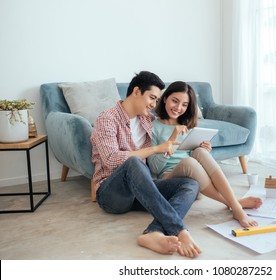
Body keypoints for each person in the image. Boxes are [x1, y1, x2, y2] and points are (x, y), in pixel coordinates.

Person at [90, 72, 202, 258]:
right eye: (152, 97)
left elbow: (171, 120)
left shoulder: (146, 119)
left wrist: (194, 139)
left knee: (190, 184)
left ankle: (153, 232)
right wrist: (156, 149)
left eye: (157, 99)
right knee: (133, 161)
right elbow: (110, 158)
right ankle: (180, 230)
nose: (153, 104)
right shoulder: (107, 119)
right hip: (112, 194)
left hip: (141, 190)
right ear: (136, 91)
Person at [147, 81, 262, 228]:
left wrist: (204, 149)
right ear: (165, 99)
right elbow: (155, 168)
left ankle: (234, 204)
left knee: (199, 151)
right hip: (169, 179)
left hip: (197, 185)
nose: (178, 108)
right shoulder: (153, 127)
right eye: (175, 101)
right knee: (189, 162)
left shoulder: (187, 126)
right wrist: (172, 139)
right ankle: (236, 205)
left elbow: (193, 155)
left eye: (184, 104)